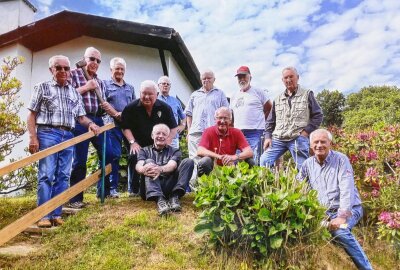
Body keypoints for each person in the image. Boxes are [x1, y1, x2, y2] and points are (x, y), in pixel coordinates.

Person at [27, 55, 99, 227]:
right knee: (46, 175)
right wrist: (32, 137)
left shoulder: (74, 91)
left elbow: (81, 117)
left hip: (68, 135)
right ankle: (43, 216)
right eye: (58, 68)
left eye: (66, 68)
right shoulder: (42, 87)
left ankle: (56, 214)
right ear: (51, 69)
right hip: (47, 133)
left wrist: (91, 124)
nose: (63, 71)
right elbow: (31, 114)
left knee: (63, 175)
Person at [296, 129, 373, 270]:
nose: (319, 145)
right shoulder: (307, 164)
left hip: (349, 210)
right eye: (316, 142)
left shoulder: (341, 160)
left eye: (323, 142)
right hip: (324, 212)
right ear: (311, 145)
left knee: (340, 232)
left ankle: (367, 268)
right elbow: (298, 187)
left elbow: (346, 188)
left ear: (330, 143)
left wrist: (341, 217)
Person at [69, 47, 115, 208]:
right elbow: (66, 96)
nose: (95, 62)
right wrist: (86, 87)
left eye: (98, 60)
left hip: (98, 119)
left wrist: (105, 106)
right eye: (91, 59)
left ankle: (103, 191)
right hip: (80, 120)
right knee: (80, 159)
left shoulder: (100, 82)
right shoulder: (73, 74)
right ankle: (75, 199)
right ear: (84, 58)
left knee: (109, 154)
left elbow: (99, 104)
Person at [121, 80, 178, 197]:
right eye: (143, 93)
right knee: (134, 156)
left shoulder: (165, 108)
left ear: (156, 94)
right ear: (140, 93)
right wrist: (132, 142)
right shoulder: (130, 108)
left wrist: (167, 141)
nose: (146, 97)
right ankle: (134, 190)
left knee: (165, 158)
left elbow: (173, 128)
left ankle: (162, 187)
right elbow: (125, 127)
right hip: (137, 142)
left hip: (157, 141)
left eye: (150, 94)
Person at [260, 66, 323, 170]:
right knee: (264, 161)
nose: (288, 80)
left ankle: (306, 186)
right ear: (282, 80)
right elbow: (270, 121)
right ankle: (271, 184)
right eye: (286, 78)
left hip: (297, 137)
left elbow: (318, 115)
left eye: (291, 77)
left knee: (303, 168)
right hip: (278, 138)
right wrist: (267, 137)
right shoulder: (277, 99)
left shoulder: (307, 94)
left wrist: (305, 133)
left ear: (297, 77)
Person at [136, 124, 194, 215]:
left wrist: (160, 169)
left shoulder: (175, 151)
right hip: (149, 188)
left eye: (164, 134)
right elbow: (139, 165)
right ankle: (159, 200)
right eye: (158, 133)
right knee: (149, 162)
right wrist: (143, 169)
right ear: (152, 135)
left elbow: (172, 165)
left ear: (168, 137)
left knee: (188, 161)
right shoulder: (144, 150)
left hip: (168, 186)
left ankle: (175, 196)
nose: (161, 136)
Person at [185, 69, 229, 184]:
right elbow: (188, 114)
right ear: (201, 80)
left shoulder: (220, 94)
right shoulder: (194, 95)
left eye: (209, 78)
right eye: (204, 78)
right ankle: (194, 186)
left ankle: (211, 185)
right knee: (194, 158)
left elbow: (227, 113)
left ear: (214, 79)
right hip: (196, 132)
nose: (206, 80)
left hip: (213, 133)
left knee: (213, 158)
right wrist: (189, 132)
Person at [102, 57, 136, 198]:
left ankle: (133, 189)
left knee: (134, 154)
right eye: (117, 68)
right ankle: (112, 189)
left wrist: (127, 115)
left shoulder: (130, 88)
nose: (120, 71)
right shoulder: (105, 85)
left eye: (122, 69)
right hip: (112, 125)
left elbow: (135, 106)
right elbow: (103, 104)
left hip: (128, 126)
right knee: (114, 156)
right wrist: (116, 114)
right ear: (111, 70)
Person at [230, 66, 272, 164]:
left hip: (256, 132)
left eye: (244, 76)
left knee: (253, 161)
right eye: (239, 77)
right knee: (237, 161)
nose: (242, 79)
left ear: (250, 77)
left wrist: (262, 124)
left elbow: (269, 109)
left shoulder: (258, 92)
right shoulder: (234, 96)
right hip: (238, 133)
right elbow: (232, 116)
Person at [197, 107, 254, 176]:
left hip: (230, 167)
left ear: (230, 120)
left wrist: (234, 157)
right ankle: (204, 185)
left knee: (250, 161)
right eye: (220, 118)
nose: (222, 121)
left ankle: (247, 185)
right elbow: (200, 151)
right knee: (205, 161)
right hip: (212, 169)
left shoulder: (237, 132)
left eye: (225, 118)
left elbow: (249, 152)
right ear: (215, 119)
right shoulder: (208, 131)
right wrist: (219, 156)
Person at [157, 76, 186, 149]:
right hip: (158, 137)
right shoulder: (154, 100)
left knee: (173, 159)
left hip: (173, 138)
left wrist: (182, 126)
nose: (166, 85)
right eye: (163, 83)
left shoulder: (175, 101)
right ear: (158, 85)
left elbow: (183, 117)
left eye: (168, 84)